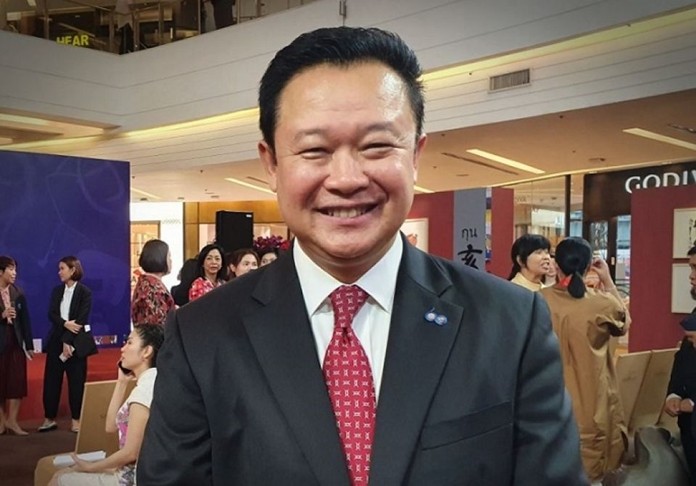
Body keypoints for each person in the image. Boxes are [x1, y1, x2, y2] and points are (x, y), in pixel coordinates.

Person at [138, 27, 585, 485]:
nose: (347, 179)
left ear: (416, 154)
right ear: (271, 163)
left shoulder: (510, 322)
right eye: (315, 150)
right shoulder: (202, 335)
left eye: (376, 146)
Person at [541, 237, 630, 482]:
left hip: (547, 403)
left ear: (556, 265)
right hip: (592, 405)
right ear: (589, 266)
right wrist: (608, 281)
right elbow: (624, 324)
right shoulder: (602, 304)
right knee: (594, 475)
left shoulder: (538, 301)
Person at [49, 324, 164, 486]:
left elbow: (131, 452)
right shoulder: (152, 382)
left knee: (59, 478)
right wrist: (121, 383)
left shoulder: (144, 390)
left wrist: (91, 467)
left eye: (130, 342)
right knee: (64, 474)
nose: (122, 349)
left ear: (147, 351)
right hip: (136, 471)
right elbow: (111, 427)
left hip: (136, 478)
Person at [39, 256, 93, 434]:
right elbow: (52, 314)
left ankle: (76, 420)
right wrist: (64, 324)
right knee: (51, 380)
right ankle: (49, 418)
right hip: (56, 341)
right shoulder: (57, 291)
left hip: (76, 342)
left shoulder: (85, 292)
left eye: (62, 268)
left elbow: (81, 320)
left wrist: (67, 340)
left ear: (73, 270)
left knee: (76, 382)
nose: (59, 272)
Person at [664, 245, 696, 483]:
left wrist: (693, 403)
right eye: (691, 268)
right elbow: (683, 358)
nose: (691, 276)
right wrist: (673, 394)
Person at [0, 256, 34, 436]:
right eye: (11, 269)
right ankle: (1, 421)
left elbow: (25, 321)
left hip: (15, 341)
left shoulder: (18, 292)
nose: (14, 273)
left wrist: (29, 345)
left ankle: (12, 421)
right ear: (1, 272)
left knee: (16, 381)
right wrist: (2, 315)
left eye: (15, 269)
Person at [131, 239, 175, 326]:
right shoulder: (153, 288)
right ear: (159, 258)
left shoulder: (146, 283)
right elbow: (158, 323)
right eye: (169, 257)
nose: (171, 261)